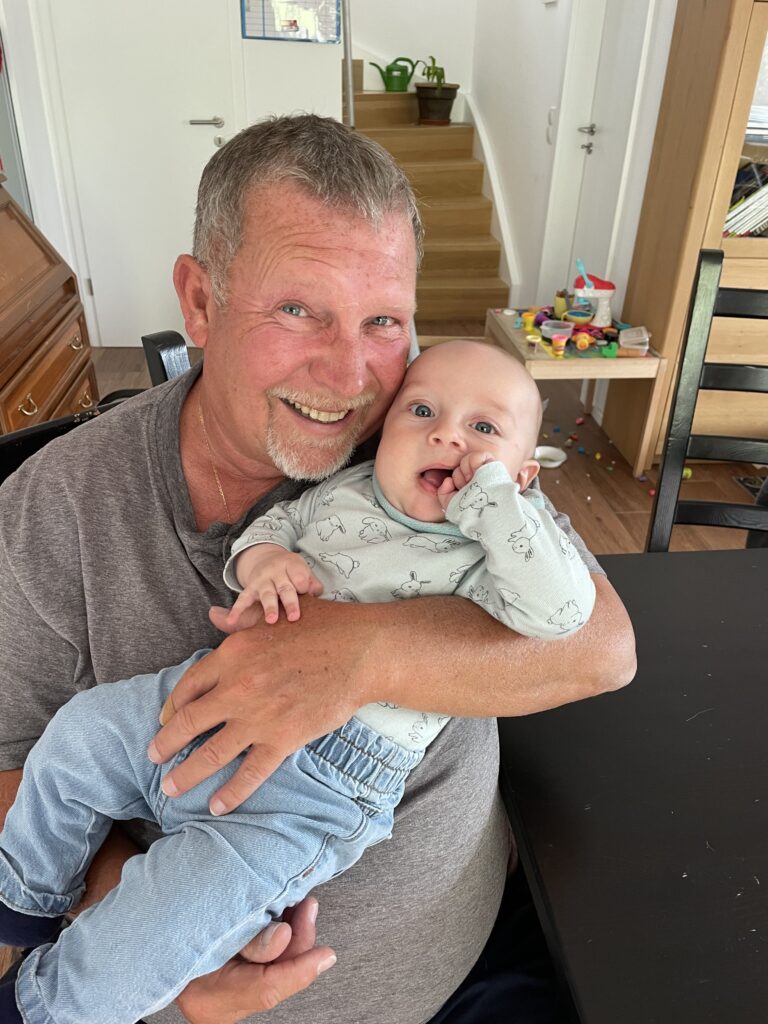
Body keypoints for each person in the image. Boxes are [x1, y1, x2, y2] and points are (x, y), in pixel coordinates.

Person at [0, 114, 636, 1024]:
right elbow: (12, 763)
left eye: (384, 321)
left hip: (476, 973)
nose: (349, 376)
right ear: (201, 301)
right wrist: (146, 929)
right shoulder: (55, 505)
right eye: (299, 309)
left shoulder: (429, 438)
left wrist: (360, 657)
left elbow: (601, 647)